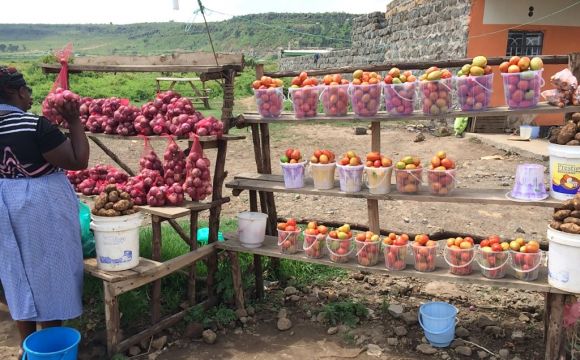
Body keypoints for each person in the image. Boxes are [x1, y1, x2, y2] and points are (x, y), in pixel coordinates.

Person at [0, 66, 89, 358]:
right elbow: (78, 160)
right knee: (51, 272)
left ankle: (28, 349)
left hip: (4, 203)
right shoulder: (33, 125)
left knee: (17, 273)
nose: (30, 95)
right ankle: (51, 348)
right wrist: (74, 121)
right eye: (26, 89)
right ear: (16, 91)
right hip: (39, 206)